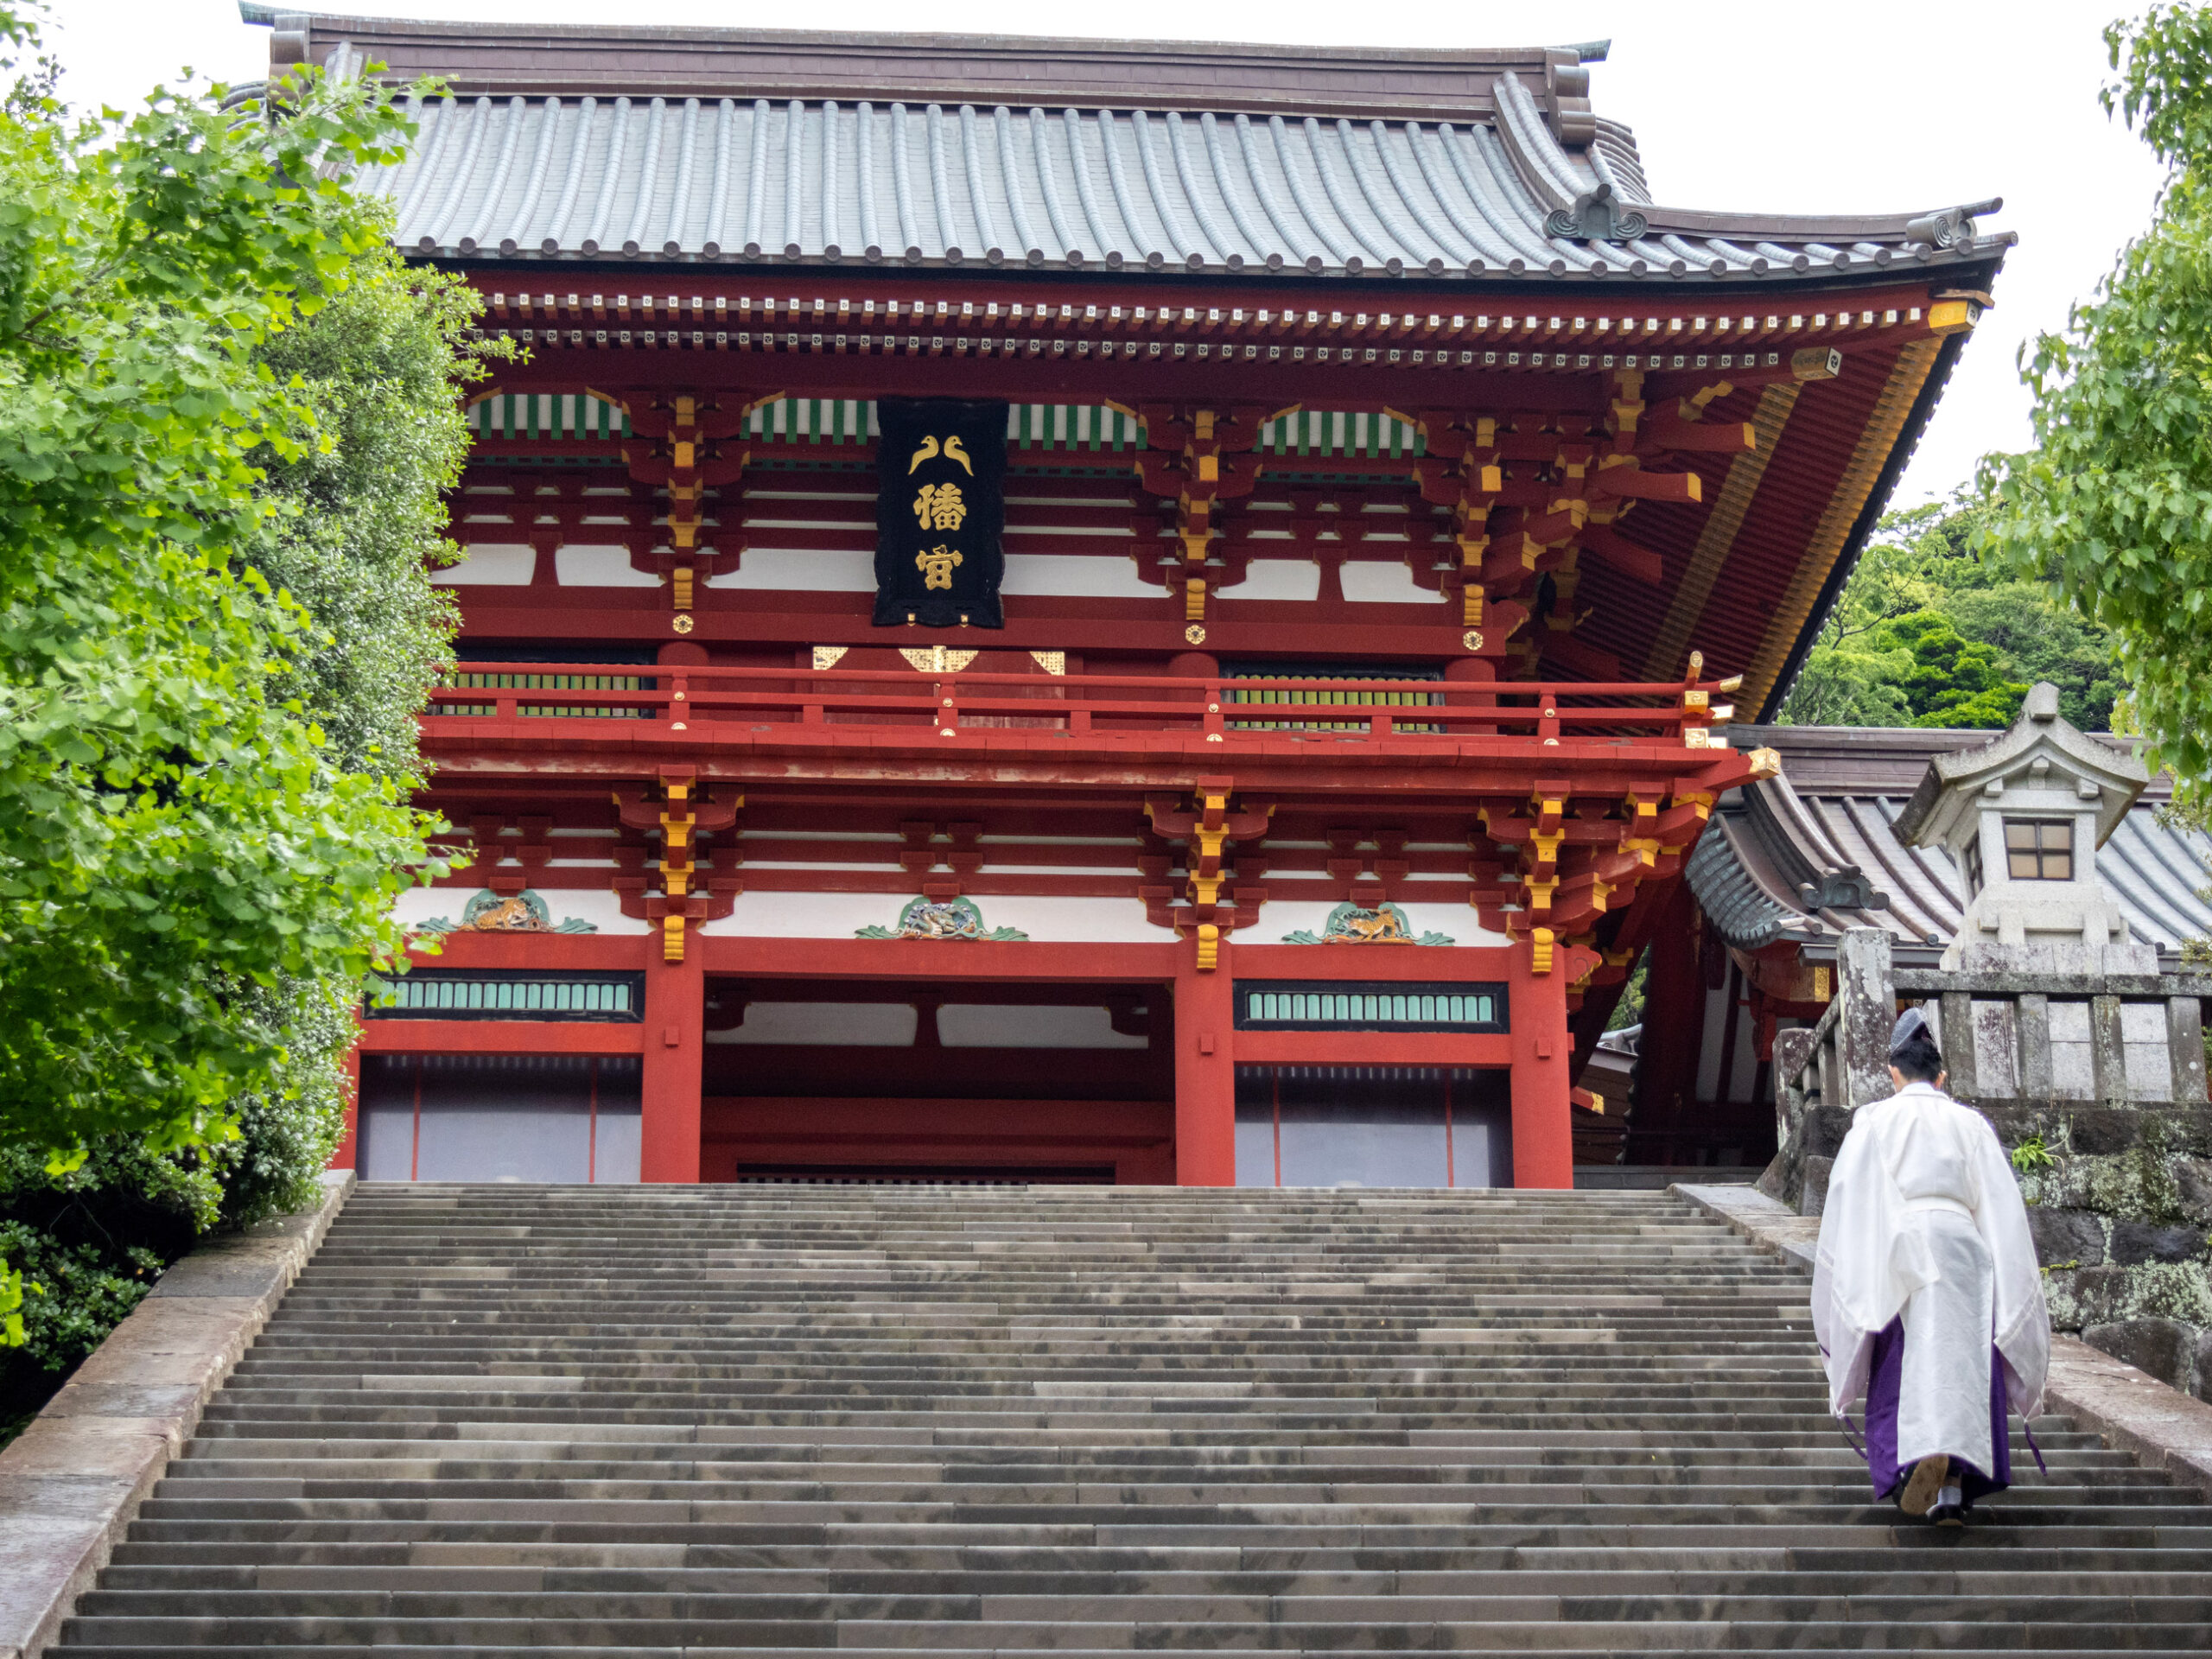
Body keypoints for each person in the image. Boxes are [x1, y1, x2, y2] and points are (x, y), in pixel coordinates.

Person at [1811, 1007, 2050, 1524]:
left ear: (1893, 1072)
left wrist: (1855, 1266)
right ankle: (1954, 1485)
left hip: (1901, 1249)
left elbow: (1850, 1199)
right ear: (1941, 1077)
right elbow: (2000, 1208)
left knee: (1902, 1360)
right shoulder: (1971, 1124)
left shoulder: (1874, 1121)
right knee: (1962, 1361)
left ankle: (1912, 1464)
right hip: (1964, 1248)